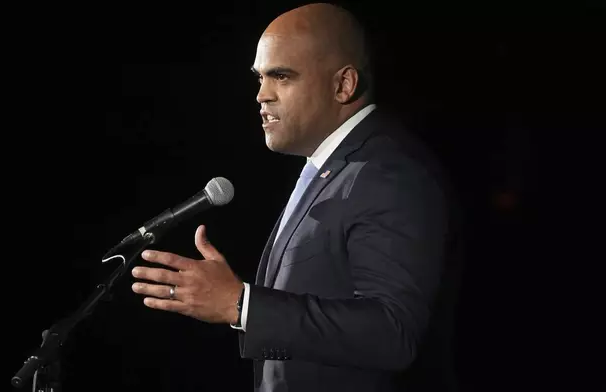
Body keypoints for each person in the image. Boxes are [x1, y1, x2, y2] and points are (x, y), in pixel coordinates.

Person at [130, 3, 462, 391]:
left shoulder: (388, 172)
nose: (260, 95)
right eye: (259, 78)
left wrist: (240, 304)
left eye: (281, 77)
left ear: (344, 85)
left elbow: (392, 331)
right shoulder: (333, 165)